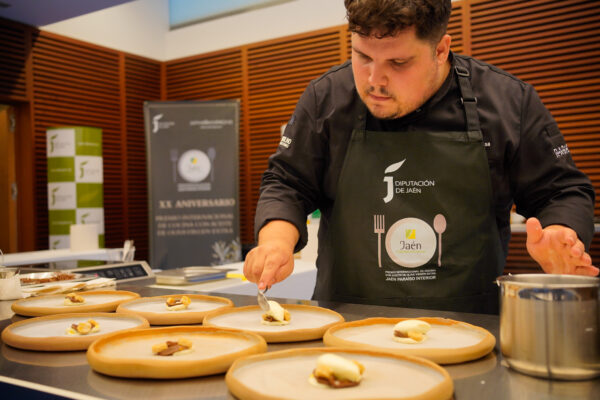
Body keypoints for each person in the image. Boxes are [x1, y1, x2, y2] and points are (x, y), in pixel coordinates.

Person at [243, 0, 597, 313]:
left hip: (471, 328)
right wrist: (276, 242)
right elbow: (288, 182)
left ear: (441, 50)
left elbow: (561, 190)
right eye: (362, 56)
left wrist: (559, 232)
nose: (374, 80)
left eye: (398, 62)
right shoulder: (327, 99)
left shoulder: (507, 103)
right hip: (347, 325)